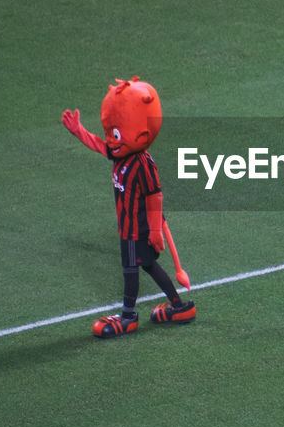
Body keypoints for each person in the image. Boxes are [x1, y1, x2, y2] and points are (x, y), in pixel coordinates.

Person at [61, 76, 194, 337]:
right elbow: (100, 146)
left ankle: (128, 315)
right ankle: (178, 306)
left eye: (116, 133)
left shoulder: (143, 163)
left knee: (132, 270)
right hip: (127, 228)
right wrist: (79, 131)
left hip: (138, 230)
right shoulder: (120, 153)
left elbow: (155, 197)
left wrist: (155, 232)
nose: (111, 139)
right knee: (148, 267)